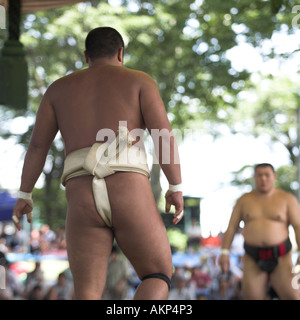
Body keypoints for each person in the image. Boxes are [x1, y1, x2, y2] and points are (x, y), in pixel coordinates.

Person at [12, 27, 183, 300]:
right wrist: (175, 185)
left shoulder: (58, 89)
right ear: (120, 53)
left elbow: (36, 146)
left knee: (87, 293)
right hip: (128, 190)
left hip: (81, 196)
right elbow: (163, 136)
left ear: (85, 56)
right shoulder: (140, 81)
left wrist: (25, 194)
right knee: (157, 274)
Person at [219, 163, 300, 299]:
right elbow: (232, 227)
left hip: (282, 258)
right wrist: (224, 252)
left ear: (274, 176)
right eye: (259, 175)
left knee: (293, 296)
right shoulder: (244, 200)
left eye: (267, 175)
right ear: (254, 178)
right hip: (252, 258)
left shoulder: (287, 199)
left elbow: (298, 226)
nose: (263, 178)